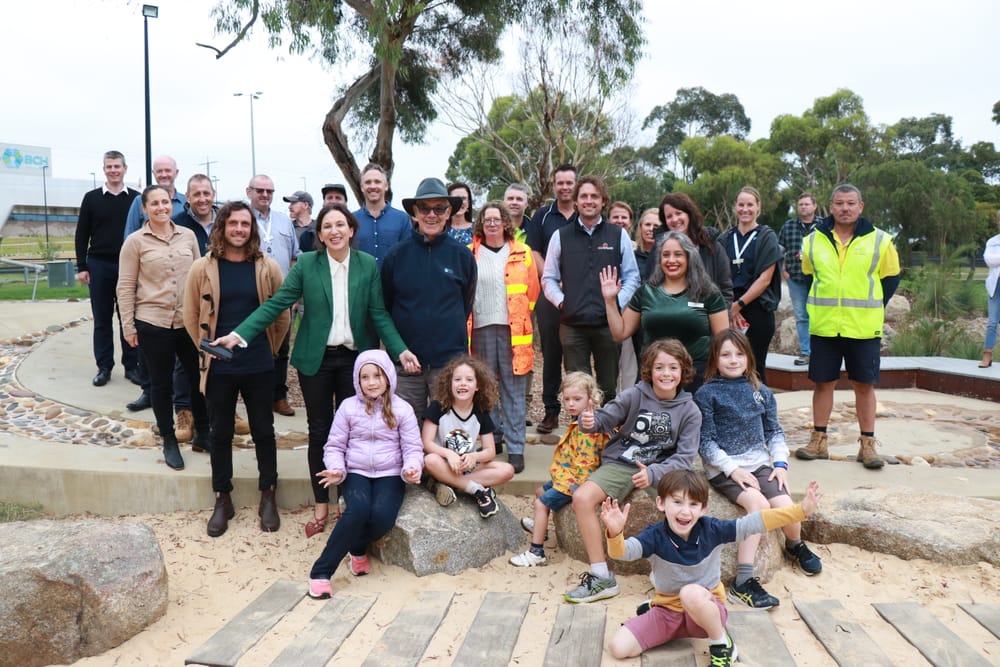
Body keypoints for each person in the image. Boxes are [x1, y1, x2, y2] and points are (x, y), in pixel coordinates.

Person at [212, 203, 419, 539]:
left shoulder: (367, 265)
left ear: (352, 230)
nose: (334, 231)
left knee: (356, 430)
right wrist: (239, 335)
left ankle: (348, 500)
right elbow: (278, 303)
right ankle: (322, 501)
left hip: (357, 362)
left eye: (341, 224)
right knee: (321, 431)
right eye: (327, 226)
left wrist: (400, 350)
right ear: (320, 234)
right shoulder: (308, 264)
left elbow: (379, 313)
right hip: (317, 361)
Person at [599, 469, 822, 665]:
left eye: (693, 504)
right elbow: (621, 553)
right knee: (618, 648)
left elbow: (755, 522)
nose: (685, 511)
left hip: (706, 612)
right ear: (660, 503)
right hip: (669, 610)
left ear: (703, 508)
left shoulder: (711, 529)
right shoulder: (654, 536)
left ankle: (721, 644)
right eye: (677, 502)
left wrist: (800, 511)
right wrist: (615, 532)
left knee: (691, 593)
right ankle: (658, 611)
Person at [564, 338, 701, 603]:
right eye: (659, 367)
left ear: (683, 371)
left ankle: (673, 569)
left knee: (682, 507)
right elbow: (604, 418)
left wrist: (653, 473)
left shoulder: (689, 411)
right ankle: (601, 575)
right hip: (622, 462)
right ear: (649, 369)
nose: (666, 374)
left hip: (661, 468)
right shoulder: (635, 395)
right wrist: (589, 420)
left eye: (673, 367)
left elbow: (685, 458)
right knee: (581, 498)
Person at [695, 329, 822, 610]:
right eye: (725, 354)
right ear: (715, 359)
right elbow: (705, 442)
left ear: (748, 357)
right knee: (758, 505)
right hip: (725, 467)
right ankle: (743, 580)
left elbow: (774, 432)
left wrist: (780, 465)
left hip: (760, 463)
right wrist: (732, 470)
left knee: (785, 503)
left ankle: (795, 545)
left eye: (739, 354)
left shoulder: (760, 391)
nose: (733, 360)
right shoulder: (706, 394)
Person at [184, 200, 289, 536]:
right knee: (220, 433)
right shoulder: (203, 267)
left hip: (258, 362)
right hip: (219, 366)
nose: (240, 230)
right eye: (233, 224)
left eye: (245, 224)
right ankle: (222, 496)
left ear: (252, 229)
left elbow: (281, 313)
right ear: (222, 227)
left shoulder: (267, 266)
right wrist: (207, 349)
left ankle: (268, 494)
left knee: (263, 431)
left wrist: (269, 348)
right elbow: (189, 314)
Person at [794, 184, 901, 469]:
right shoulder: (813, 240)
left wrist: (875, 305)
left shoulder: (880, 240)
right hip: (825, 327)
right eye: (839, 203)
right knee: (822, 383)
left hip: (863, 328)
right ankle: (819, 441)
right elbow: (808, 276)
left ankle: (867, 445)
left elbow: (890, 278)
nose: (845, 208)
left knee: (864, 385)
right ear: (830, 206)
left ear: (860, 206)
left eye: (851, 203)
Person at [306, 350, 423, 599]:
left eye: (377, 376)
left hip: (390, 472)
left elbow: (412, 447)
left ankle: (357, 547)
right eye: (365, 377)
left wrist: (412, 468)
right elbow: (335, 445)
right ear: (357, 382)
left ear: (389, 377)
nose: (371, 382)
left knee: (382, 516)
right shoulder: (348, 408)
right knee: (357, 510)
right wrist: (337, 469)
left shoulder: (403, 409)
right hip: (357, 470)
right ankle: (321, 572)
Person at [117, 185, 208, 471]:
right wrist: (128, 326)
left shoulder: (189, 236)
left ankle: (203, 432)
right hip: (153, 322)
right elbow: (125, 286)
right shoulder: (135, 242)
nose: (161, 207)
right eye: (154, 204)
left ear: (173, 204)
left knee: (198, 379)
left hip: (188, 321)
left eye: (165, 202)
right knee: (161, 383)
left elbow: (201, 277)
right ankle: (168, 438)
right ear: (144, 209)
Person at [381, 178, 477, 417]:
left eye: (440, 208)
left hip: (449, 364)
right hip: (407, 364)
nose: (431, 214)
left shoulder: (463, 257)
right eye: (424, 208)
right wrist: (400, 351)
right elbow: (386, 305)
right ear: (414, 213)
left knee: (448, 431)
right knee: (407, 431)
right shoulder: (396, 256)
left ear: (449, 213)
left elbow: (465, 304)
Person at [542, 174, 641, 405]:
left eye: (594, 196)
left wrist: (615, 304)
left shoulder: (618, 235)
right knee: (578, 389)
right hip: (572, 326)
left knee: (607, 388)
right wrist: (563, 303)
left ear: (603, 201)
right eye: (584, 196)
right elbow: (548, 278)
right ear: (576, 201)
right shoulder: (561, 236)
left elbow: (632, 276)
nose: (589, 201)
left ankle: (607, 437)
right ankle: (581, 438)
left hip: (608, 325)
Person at [601, 231, 728, 392]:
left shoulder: (708, 293)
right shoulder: (645, 292)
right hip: (654, 376)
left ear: (690, 257)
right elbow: (620, 333)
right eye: (666, 255)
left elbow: (723, 342)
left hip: (698, 379)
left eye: (678, 254)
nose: (671, 260)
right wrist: (610, 300)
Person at [468, 202, 539, 474]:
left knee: (513, 390)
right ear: (481, 224)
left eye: (497, 219)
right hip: (480, 328)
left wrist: (518, 317)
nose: (493, 224)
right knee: (485, 388)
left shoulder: (523, 252)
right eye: (487, 220)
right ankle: (493, 438)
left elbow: (532, 291)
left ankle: (517, 448)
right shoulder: (470, 253)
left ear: (506, 223)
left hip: (514, 332)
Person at [510, 372, 608, 567]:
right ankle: (542, 529)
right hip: (565, 476)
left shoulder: (588, 427)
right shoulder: (579, 419)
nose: (570, 404)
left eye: (577, 399)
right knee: (539, 492)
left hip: (575, 482)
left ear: (591, 398)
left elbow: (586, 464)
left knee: (541, 504)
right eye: (567, 399)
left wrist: (576, 489)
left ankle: (536, 552)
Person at [74, 150, 141, 387]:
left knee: (128, 318)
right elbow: (81, 233)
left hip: (128, 266)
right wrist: (82, 266)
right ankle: (104, 367)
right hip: (99, 265)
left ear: (125, 168)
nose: (113, 170)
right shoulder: (91, 198)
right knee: (102, 319)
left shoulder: (136, 198)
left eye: (117, 166)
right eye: (109, 166)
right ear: (104, 169)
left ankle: (131, 367)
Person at [422, 356, 515, 519]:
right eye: (457, 379)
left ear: (478, 386)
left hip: (466, 468)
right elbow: (426, 443)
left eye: (469, 380)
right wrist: (448, 454)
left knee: (507, 470)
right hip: (442, 464)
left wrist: (474, 456)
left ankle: (452, 484)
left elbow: (490, 451)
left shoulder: (480, 412)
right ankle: (477, 490)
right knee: (430, 460)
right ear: (449, 384)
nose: (462, 383)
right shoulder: (438, 407)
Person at [525, 164, 578, 433]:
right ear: (554, 185)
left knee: (578, 354)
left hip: (582, 296)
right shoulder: (543, 216)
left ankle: (582, 415)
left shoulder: (586, 214)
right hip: (549, 294)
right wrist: (552, 278)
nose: (565, 187)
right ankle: (550, 411)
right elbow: (533, 251)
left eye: (570, 182)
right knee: (551, 352)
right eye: (561, 183)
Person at [246, 174, 302, 417]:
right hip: (250, 294)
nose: (265, 195)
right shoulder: (242, 219)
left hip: (281, 296)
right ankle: (254, 398)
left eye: (269, 191)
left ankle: (279, 396)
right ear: (249, 192)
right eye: (260, 190)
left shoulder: (283, 221)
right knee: (252, 346)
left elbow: (294, 255)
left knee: (280, 348)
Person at [718, 187, 782, 383]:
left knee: (754, 367)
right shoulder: (725, 239)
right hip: (727, 310)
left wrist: (738, 306)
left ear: (758, 207)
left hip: (756, 310)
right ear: (735, 207)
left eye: (750, 205)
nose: (745, 209)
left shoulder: (766, 236)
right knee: (728, 367)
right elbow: (717, 277)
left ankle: (760, 411)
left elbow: (764, 279)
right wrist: (729, 308)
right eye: (741, 205)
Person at [659, 193, 734, 306]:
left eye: (679, 213)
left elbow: (726, 289)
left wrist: (722, 318)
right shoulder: (659, 249)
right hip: (670, 316)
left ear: (689, 214)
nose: (674, 219)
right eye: (669, 216)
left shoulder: (712, 245)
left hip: (708, 317)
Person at [779, 193, 820, 365]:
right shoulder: (788, 226)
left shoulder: (824, 226)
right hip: (795, 278)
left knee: (819, 316)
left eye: (806, 204)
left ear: (814, 206)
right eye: (800, 204)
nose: (803, 207)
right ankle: (806, 353)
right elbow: (779, 250)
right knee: (802, 316)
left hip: (820, 279)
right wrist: (784, 272)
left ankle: (821, 353)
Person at [353, 163, 412, 268]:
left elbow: (409, 255)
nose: (372, 186)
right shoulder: (351, 220)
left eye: (377, 182)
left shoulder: (402, 219)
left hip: (393, 283)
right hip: (362, 284)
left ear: (386, 186)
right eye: (368, 182)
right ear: (362, 187)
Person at [123, 155, 186, 237]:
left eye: (167, 170)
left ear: (176, 172)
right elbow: (129, 234)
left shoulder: (186, 201)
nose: (164, 175)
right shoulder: (140, 201)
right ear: (153, 173)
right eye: (159, 171)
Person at [980, 210, 1000, 368]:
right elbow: (989, 260)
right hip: (996, 285)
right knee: (992, 322)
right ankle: (987, 355)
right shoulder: (993, 241)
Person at [632, 208, 660, 277]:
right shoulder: (631, 256)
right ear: (641, 227)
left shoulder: (667, 258)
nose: (651, 229)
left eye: (656, 226)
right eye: (647, 224)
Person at [446, 181, 475, 245]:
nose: (460, 202)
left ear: (469, 203)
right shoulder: (440, 229)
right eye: (456, 198)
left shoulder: (478, 229)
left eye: (463, 198)